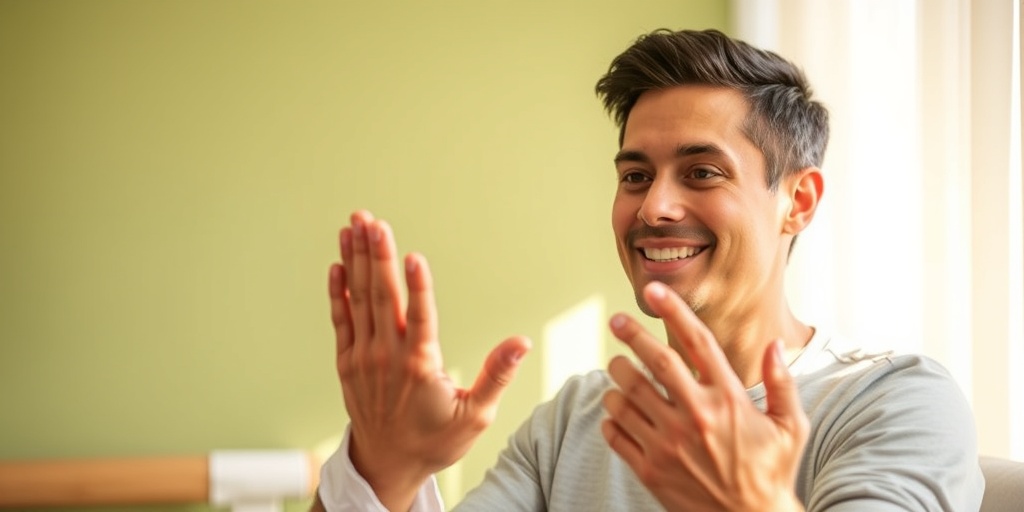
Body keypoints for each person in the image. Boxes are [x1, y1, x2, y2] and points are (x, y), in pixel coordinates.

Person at [313, 28, 984, 511]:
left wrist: (750, 504)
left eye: (701, 172)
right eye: (636, 175)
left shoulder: (894, 401)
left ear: (797, 202)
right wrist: (385, 471)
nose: (654, 206)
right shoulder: (575, 418)